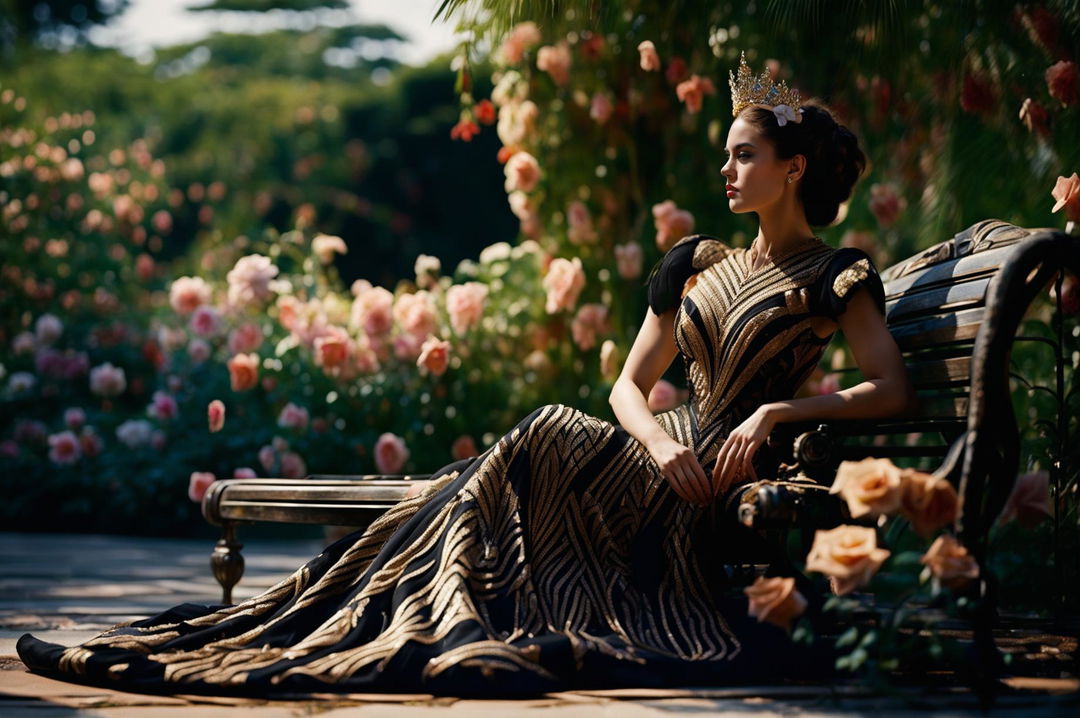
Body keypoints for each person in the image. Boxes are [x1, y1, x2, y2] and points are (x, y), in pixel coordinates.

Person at [17, 53, 912, 697]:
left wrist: (778, 416)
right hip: (661, 449)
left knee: (527, 443)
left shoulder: (834, 276)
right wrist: (652, 439)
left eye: (743, 156)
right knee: (532, 442)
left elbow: (889, 389)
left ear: (792, 168)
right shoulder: (698, 262)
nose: (724, 168)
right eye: (724, 153)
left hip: (720, 470)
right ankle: (381, 606)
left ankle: (422, 606)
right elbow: (627, 387)